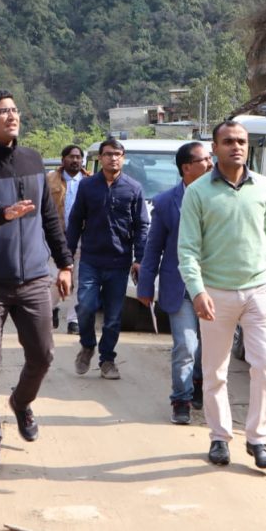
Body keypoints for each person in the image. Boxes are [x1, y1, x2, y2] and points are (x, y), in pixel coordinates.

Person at [0, 89, 72, 473]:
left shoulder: (32, 159)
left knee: (43, 354)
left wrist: (65, 263)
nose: (11, 116)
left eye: (14, 110)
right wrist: (2, 213)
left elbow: (49, 218)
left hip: (35, 277)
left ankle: (21, 403)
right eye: (2, 111)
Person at [177, 120, 266, 470]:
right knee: (215, 371)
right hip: (216, 293)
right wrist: (197, 291)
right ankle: (220, 436)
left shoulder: (265, 188)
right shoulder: (198, 192)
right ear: (215, 148)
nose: (236, 147)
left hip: (259, 290)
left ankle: (258, 438)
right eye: (228, 142)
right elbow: (187, 249)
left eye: (241, 141)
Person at [137, 142, 212, 425]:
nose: (211, 164)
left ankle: (199, 384)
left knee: (209, 348)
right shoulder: (167, 201)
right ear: (187, 167)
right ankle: (180, 399)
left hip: (215, 287)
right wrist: (145, 286)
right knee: (185, 345)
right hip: (179, 288)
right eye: (205, 160)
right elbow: (153, 247)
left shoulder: (220, 196)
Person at [65, 138, 149, 381]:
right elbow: (75, 221)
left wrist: (139, 258)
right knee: (86, 306)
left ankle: (107, 360)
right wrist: (67, 256)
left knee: (113, 317)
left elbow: (141, 226)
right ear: (100, 158)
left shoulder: (133, 188)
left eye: (118, 154)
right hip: (91, 259)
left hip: (119, 261)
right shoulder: (88, 186)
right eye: (109, 154)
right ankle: (88, 345)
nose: (114, 158)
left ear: (123, 158)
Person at [45, 144, 91, 334]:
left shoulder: (89, 181)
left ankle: (74, 320)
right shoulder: (49, 180)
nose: (75, 160)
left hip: (83, 237)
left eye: (78, 157)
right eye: (71, 157)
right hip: (57, 236)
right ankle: (50, 310)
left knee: (79, 280)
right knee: (56, 277)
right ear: (63, 159)